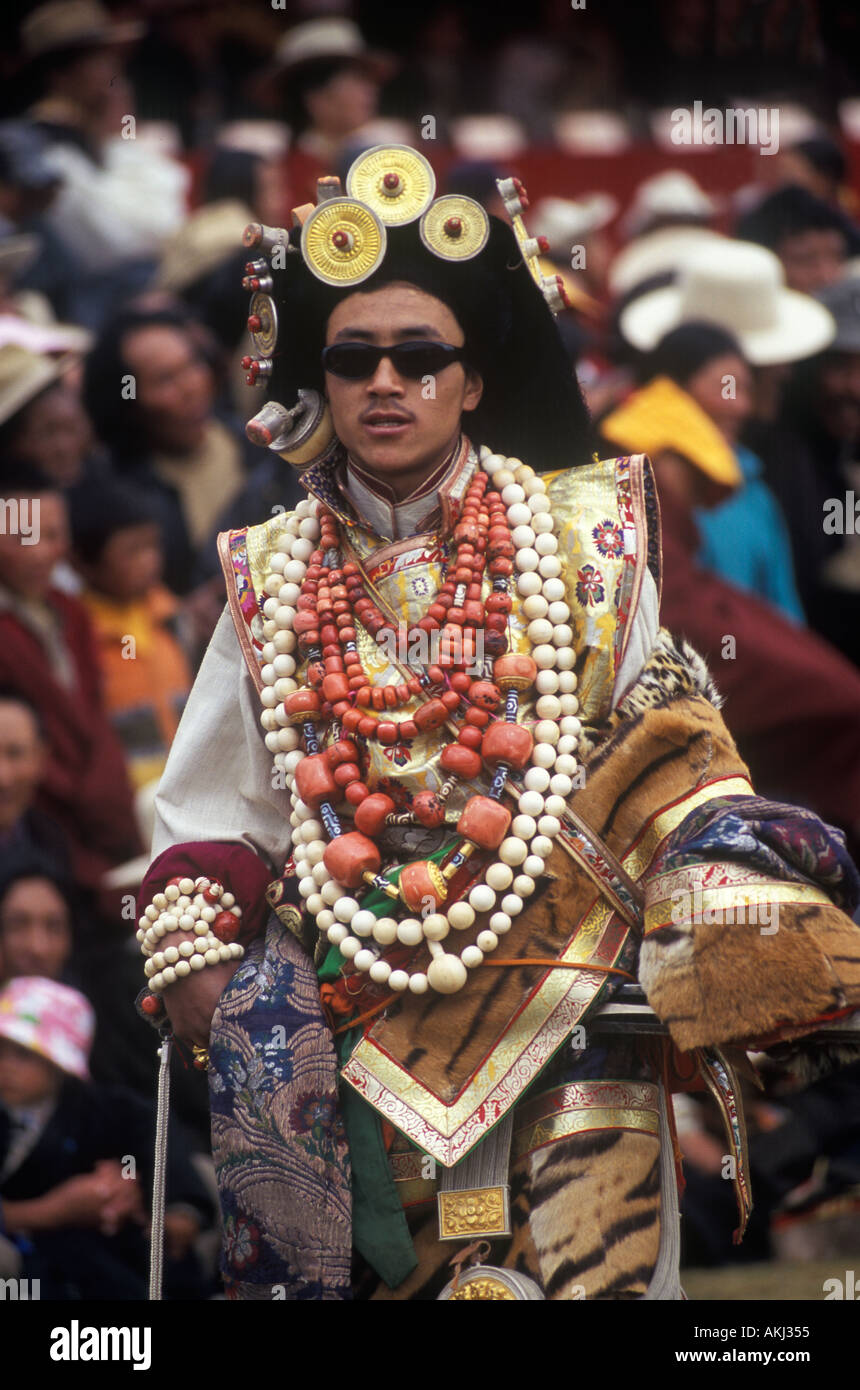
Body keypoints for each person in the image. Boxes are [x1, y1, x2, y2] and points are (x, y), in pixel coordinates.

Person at [138, 147, 860, 1301]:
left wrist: (718, 863)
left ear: (471, 380)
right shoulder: (268, 572)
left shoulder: (588, 536)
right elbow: (214, 809)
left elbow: (668, 749)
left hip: (574, 1016)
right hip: (359, 1045)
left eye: (419, 357)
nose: (385, 381)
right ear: (321, 383)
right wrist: (202, 948)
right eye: (353, 358)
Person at [0, 975, 213, 1299]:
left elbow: (155, 1140)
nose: (6, 1067)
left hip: (118, 1258)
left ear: (58, 1065)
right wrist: (56, 1210)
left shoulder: (108, 1111)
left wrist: (179, 1210)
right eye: (1, 1051)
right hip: (31, 1272)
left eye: (23, 1056)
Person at [0, 464, 141, 902]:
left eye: (55, 536)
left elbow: (95, 714)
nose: (44, 553)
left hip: (102, 812)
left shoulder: (71, 611)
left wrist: (108, 798)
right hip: (37, 817)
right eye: (27, 537)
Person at [68, 477, 192, 791]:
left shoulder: (172, 618)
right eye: (132, 551)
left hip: (189, 783)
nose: (150, 561)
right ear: (83, 564)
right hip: (128, 796)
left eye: (152, 545)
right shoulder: (77, 636)